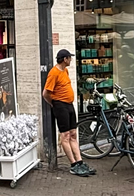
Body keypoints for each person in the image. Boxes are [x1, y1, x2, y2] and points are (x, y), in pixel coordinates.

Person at [42, 49, 92, 177]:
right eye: (70, 58)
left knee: (73, 134)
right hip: (60, 105)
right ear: (65, 59)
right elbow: (46, 93)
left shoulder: (65, 70)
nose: (71, 60)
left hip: (69, 105)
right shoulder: (54, 73)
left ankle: (80, 162)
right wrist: (53, 104)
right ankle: (73, 165)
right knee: (65, 135)